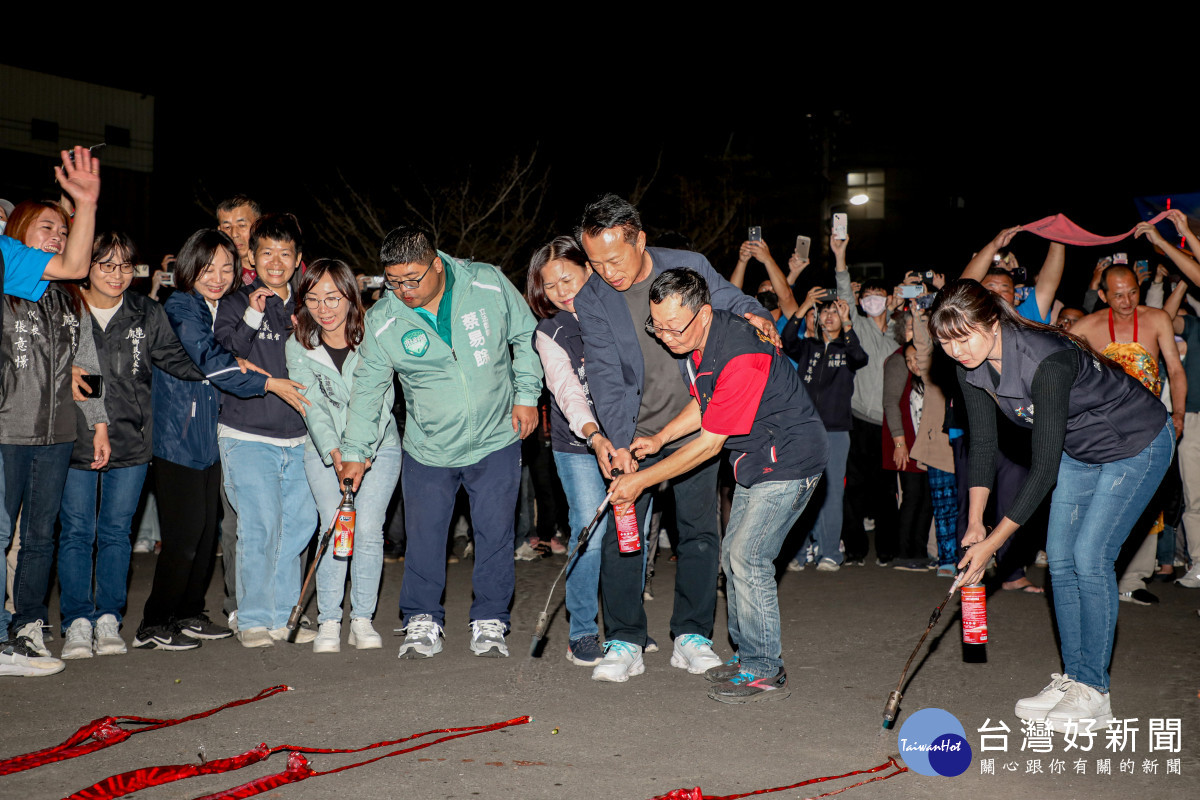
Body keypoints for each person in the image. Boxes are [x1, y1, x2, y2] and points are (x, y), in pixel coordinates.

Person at [932, 279, 1173, 731]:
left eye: (963, 338)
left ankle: (1094, 693)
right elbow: (982, 445)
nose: (956, 351)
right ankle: (1074, 678)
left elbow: (1041, 471)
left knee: (1090, 556)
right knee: (1060, 560)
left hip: (1135, 442)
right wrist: (975, 525)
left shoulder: (1047, 358)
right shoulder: (970, 369)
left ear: (990, 322)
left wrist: (994, 547)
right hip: (1079, 451)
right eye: (945, 342)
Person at [573, 194, 773, 683]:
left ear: (640, 239)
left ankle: (692, 635)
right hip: (634, 430)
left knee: (699, 532)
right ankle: (624, 639)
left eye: (614, 260)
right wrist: (618, 444)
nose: (605, 272)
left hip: (692, 422)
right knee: (625, 535)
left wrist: (755, 314)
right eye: (594, 262)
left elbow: (730, 299)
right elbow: (603, 375)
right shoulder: (591, 297)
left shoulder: (688, 266)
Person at [608, 269, 828, 702]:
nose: (665, 336)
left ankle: (764, 670)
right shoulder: (695, 344)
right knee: (734, 554)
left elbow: (709, 445)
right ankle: (749, 657)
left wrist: (639, 481)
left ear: (704, 314)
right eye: (658, 326)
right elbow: (704, 402)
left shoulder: (741, 351)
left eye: (675, 327)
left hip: (790, 457)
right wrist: (659, 437)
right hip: (758, 458)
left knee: (748, 556)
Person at [339, 224, 542, 660]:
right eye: (393, 281)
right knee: (426, 537)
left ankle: (490, 619)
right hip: (429, 446)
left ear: (437, 263)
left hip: (495, 435)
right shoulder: (383, 320)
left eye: (412, 279)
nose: (403, 290)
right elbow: (369, 390)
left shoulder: (486, 281)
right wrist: (355, 451)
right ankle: (421, 618)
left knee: (495, 534)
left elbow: (524, 335)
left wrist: (527, 395)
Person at [138, 229, 306, 650]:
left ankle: (190, 611)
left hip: (211, 432)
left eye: (226, 268)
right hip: (179, 434)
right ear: (188, 266)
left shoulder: (222, 305)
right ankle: (154, 622)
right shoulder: (181, 305)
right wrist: (263, 381)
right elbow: (210, 361)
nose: (216, 276)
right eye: (207, 268)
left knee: (205, 532)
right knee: (183, 533)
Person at [57, 232, 206, 659]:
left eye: (125, 266)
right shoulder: (67, 308)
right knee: (77, 532)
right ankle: (77, 621)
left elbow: (176, 360)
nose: (117, 275)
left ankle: (108, 618)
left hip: (134, 438)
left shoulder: (145, 311)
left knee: (117, 533)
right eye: (106, 265)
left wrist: (226, 371)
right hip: (73, 438)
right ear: (86, 266)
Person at [0, 147, 101, 678]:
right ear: (17, 229)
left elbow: (84, 365)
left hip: (57, 433)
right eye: (47, 227)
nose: (58, 237)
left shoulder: (65, 298)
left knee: (42, 534)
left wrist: (97, 417)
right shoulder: (8, 276)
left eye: (63, 230)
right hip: (7, 429)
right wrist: (84, 202)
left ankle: (29, 625)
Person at [286, 259, 402, 653]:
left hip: (378, 448)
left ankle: (362, 620)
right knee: (334, 528)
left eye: (333, 297)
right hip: (324, 452)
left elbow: (381, 400)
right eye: (314, 298)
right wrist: (336, 454)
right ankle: (329, 621)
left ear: (351, 296)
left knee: (367, 530)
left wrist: (361, 454)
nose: (325, 308)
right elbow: (311, 406)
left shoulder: (375, 337)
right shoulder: (299, 344)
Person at [214, 214, 317, 648]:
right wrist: (255, 315)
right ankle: (254, 617)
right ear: (252, 258)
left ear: (297, 260)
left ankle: (283, 614)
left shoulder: (309, 303)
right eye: (267, 253)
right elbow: (223, 354)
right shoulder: (237, 301)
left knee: (297, 526)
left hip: (301, 436)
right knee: (259, 524)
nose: (277, 261)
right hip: (247, 433)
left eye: (286, 253)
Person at [525, 236, 607, 665]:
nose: (561, 290)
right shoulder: (550, 330)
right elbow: (566, 390)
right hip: (578, 444)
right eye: (550, 284)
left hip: (632, 440)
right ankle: (582, 632)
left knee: (632, 534)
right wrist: (594, 434)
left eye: (567, 278)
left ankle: (627, 628)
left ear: (588, 270)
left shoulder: (619, 314)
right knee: (589, 532)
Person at [781, 293, 867, 571]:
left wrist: (848, 324)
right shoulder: (807, 347)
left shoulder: (846, 349)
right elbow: (786, 340)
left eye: (834, 312)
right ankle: (799, 550)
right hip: (804, 429)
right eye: (824, 312)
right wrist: (804, 306)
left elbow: (860, 357)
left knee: (831, 494)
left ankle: (830, 551)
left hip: (836, 430)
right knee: (800, 491)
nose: (828, 317)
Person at [833, 233, 900, 566]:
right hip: (858, 420)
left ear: (889, 299)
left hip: (890, 423)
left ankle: (888, 548)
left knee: (887, 490)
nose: (873, 300)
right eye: (868, 296)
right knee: (854, 488)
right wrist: (840, 255)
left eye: (879, 295)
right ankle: (856, 547)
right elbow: (844, 291)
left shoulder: (901, 331)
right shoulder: (856, 326)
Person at [216, 195, 262, 287]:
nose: (234, 234)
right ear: (219, 231)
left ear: (259, 225)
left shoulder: (285, 266)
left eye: (242, 225)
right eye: (227, 227)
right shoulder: (214, 276)